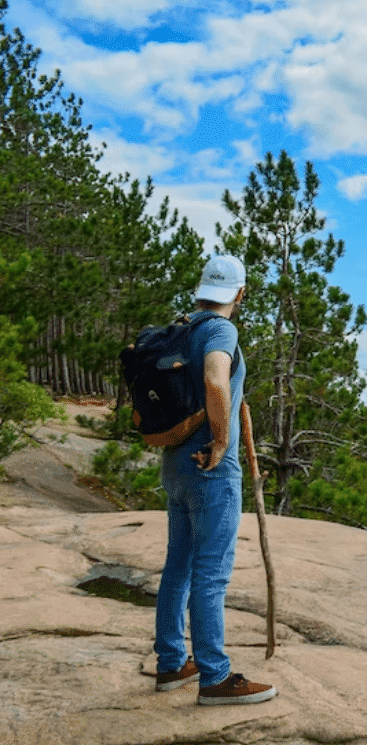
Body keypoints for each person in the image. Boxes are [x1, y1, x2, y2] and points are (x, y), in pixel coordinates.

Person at [153, 255, 277, 706]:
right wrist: (223, 440)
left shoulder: (182, 328)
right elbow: (215, 380)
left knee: (179, 567)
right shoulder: (221, 330)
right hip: (210, 466)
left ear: (202, 288)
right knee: (210, 575)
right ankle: (215, 678)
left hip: (176, 464)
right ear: (240, 294)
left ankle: (171, 665)